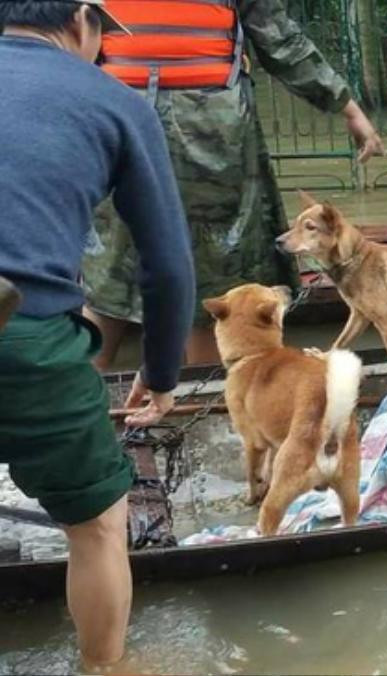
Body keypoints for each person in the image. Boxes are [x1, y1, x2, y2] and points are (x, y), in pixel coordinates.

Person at [0, 0, 195, 667]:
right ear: (82, 21)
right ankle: (105, 666)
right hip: (22, 334)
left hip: (27, 321)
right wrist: (162, 375)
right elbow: (166, 265)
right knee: (99, 525)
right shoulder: (113, 102)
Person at [81, 0, 386, 367]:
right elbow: (282, 44)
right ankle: (204, 405)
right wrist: (348, 108)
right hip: (206, 132)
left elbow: (57, 42)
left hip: (121, 123)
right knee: (212, 277)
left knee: (111, 272)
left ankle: (75, 407)